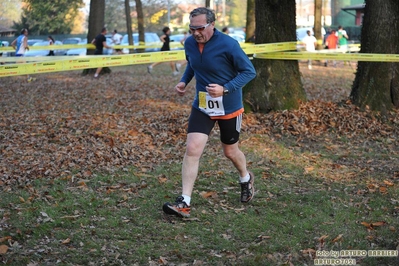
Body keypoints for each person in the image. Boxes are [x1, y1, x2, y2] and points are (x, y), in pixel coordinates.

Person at [162, 7, 256, 218]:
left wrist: (225, 88)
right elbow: (193, 65)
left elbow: (249, 71)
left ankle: (245, 177)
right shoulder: (189, 43)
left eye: (200, 28)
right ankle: (184, 202)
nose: (196, 33)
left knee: (230, 152)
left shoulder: (229, 45)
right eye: (192, 28)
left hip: (229, 106)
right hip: (203, 105)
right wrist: (183, 81)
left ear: (212, 25)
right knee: (192, 149)